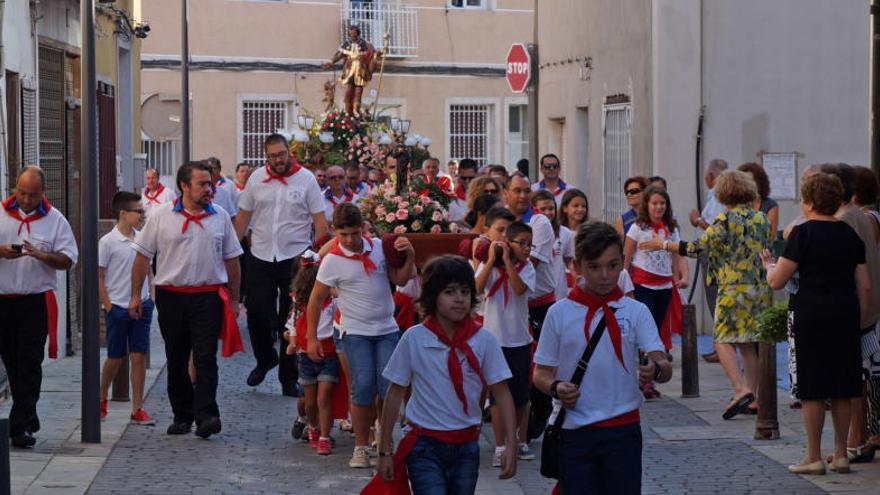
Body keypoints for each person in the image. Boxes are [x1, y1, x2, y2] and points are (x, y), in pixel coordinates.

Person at [533, 221, 671, 495]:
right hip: (575, 431)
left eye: (612, 265)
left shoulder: (635, 311)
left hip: (623, 430)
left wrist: (654, 369)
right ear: (577, 266)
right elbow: (540, 372)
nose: (605, 275)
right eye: (594, 267)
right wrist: (556, 387)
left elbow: (664, 365)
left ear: (623, 262)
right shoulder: (559, 313)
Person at [368, 255, 517, 494]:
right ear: (432, 296)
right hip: (424, 446)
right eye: (449, 292)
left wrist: (511, 444)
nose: (459, 299)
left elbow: (502, 392)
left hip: (466, 446)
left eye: (465, 292)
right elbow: (394, 393)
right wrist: (385, 449)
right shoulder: (414, 338)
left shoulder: (484, 340)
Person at [761, 172, 868, 475]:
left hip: (810, 314)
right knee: (842, 385)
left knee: (812, 386)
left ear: (807, 201)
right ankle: (841, 454)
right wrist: (859, 318)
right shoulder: (851, 235)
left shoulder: (803, 234)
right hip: (845, 314)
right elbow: (865, 287)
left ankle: (813, 456)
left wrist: (768, 266)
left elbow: (778, 280)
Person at [641, 170, 771, 419]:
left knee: (722, 339)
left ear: (724, 193)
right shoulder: (761, 218)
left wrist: (664, 244)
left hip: (732, 287)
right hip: (758, 288)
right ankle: (753, 395)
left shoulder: (724, 219)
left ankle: (739, 389)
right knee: (747, 344)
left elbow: (698, 247)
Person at [130, 161, 243, 438]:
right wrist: (135, 295)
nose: (209, 189)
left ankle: (207, 415)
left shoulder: (220, 216)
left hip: (207, 297)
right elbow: (143, 256)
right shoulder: (160, 215)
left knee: (205, 357)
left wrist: (235, 300)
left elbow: (232, 261)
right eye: (202, 184)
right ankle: (182, 415)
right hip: (172, 296)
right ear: (184, 186)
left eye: (210, 183)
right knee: (177, 357)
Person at [307, 203, 416, 468]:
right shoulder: (332, 260)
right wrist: (311, 337)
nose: (350, 240)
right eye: (343, 235)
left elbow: (400, 280)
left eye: (354, 234)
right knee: (363, 385)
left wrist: (410, 256)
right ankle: (360, 446)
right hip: (355, 331)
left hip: (386, 328)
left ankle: (385, 439)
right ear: (335, 232)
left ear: (363, 228)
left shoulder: (379, 247)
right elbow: (315, 299)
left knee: (388, 386)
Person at [234, 133, 328, 396]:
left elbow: (319, 220)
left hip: (295, 256)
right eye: (273, 156)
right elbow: (243, 217)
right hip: (261, 254)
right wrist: (229, 249)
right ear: (267, 156)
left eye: (282, 154)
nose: (278, 160)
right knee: (255, 311)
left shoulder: (306, 179)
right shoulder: (256, 179)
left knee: (291, 317)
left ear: (289, 152)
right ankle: (265, 359)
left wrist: (321, 254)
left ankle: (289, 378)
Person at [0, 166, 77, 448]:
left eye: (32, 194)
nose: (26, 199)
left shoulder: (55, 220)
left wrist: (42, 255)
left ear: (42, 192)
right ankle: (28, 417)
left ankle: (20, 426)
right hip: (3, 300)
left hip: (34, 302)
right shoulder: (0, 213)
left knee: (29, 362)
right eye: (21, 192)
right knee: (12, 362)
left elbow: (68, 259)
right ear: (14, 188)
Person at [821, 163, 880, 464]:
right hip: (863, 309)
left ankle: (855, 440)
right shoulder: (860, 216)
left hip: (853, 309)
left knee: (853, 379)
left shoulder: (846, 219)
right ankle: (859, 439)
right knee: (860, 376)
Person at [475, 219, 537, 466]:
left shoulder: (527, 268)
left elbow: (519, 289)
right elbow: (476, 289)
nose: (526, 248)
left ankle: (516, 439)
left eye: (529, 245)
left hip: (519, 340)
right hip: (494, 340)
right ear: (508, 243)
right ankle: (501, 445)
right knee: (498, 396)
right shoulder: (488, 267)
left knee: (520, 396)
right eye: (521, 243)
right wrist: (491, 260)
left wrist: (509, 262)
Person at [98, 191, 155, 425]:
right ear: (123, 213)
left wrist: (151, 297)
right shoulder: (107, 242)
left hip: (142, 306)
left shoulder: (143, 239)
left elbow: (149, 270)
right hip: (118, 307)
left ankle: (137, 407)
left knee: (139, 356)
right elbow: (99, 276)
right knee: (115, 357)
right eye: (138, 212)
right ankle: (101, 398)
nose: (142, 215)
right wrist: (109, 306)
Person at [285, 252, 340, 456]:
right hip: (306, 355)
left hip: (329, 353)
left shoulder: (333, 303)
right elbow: (293, 325)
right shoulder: (299, 306)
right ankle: (312, 426)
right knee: (309, 401)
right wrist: (292, 342)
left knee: (324, 397)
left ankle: (325, 436)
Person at [624, 186, 687, 354]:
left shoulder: (671, 228)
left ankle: (654, 364)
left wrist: (684, 276)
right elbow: (626, 256)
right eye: (655, 203)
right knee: (646, 326)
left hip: (665, 285)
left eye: (662, 203)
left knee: (658, 326)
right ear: (647, 205)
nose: (659, 207)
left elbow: (679, 253)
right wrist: (623, 283)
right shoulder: (637, 227)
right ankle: (646, 364)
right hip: (643, 285)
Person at [688, 159, 728, 363]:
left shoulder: (719, 198)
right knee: (715, 301)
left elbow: (716, 231)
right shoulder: (715, 196)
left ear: (711, 176)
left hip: (714, 255)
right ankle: (719, 345)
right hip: (709, 254)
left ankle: (722, 346)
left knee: (716, 301)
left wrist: (697, 221)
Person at [322, 25, 383, 116]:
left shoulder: (364, 44)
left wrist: (378, 54)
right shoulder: (346, 43)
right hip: (349, 69)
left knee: (359, 91)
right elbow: (339, 55)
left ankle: (356, 110)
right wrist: (331, 62)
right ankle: (346, 110)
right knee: (349, 89)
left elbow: (372, 53)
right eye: (351, 34)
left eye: (354, 34)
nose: (353, 36)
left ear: (358, 34)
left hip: (361, 70)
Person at [738, 162, 779, 236]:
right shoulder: (734, 204)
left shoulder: (770, 205)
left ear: (760, 183)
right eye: (744, 181)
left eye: (751, 181)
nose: (748, 185)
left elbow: (770, 237)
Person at [450, 158, 478, 222]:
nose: (467, 181)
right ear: (459, 175)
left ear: (477, 175)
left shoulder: (486, 193)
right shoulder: (451, 197)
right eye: (464, 178)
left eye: (471, 178)